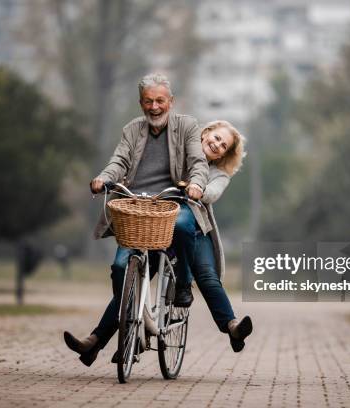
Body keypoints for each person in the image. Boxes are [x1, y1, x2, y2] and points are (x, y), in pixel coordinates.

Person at [64, 73, 209, 366]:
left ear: (171, 101)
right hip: (136, 207)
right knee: (120, 268)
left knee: (183, 225)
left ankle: (183, 284)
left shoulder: (187, 126)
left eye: (160, 101)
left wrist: (195, 184)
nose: (154, 107)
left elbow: (198, 162)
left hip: (171, 205)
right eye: (148, 101)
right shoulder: (132, 129)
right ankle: (109, 337)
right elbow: (119, 161)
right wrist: (104, 178)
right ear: (140, 103)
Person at [187, 119, 252, 353]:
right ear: (205, 133)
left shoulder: (219, 174)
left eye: (223, 146)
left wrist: (197, 190)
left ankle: (233, 326)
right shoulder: (182, 154)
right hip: (162, 223)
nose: (217, 145)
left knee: (207, 275)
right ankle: (98, 340)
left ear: (224, 154)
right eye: (216, 138)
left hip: (198, 229)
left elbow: (212, 193)